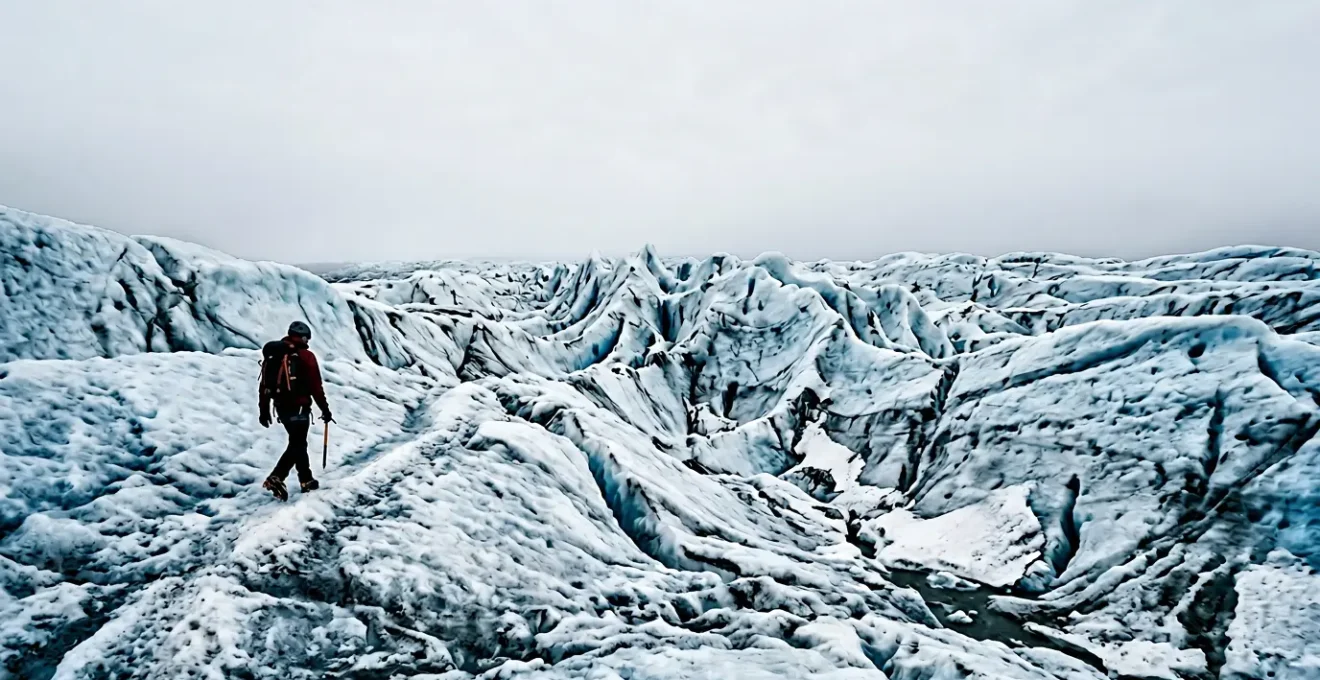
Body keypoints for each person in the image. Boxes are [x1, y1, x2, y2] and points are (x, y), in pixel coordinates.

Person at [258, 320, 333, 501]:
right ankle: (277, 477)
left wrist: (264, 410)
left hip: (281, 407)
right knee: (297, 443)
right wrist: (325, 409)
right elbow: (316, 386)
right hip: (299, 406)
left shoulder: (274, 355)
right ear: (303, 337)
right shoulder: (305, 356)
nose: (307, 342)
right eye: (307, 338)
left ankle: (306, 480)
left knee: (298, 442)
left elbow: (264, 385)